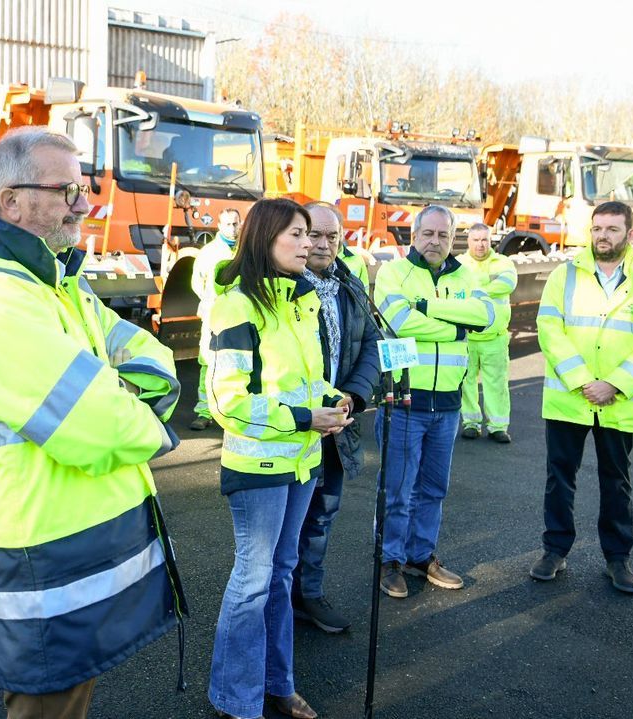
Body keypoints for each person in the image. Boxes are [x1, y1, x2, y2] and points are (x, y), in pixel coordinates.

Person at [0, 128, 187, 719]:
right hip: (37, 558)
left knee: (70, 697)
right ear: (10, 201)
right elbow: (101, 426)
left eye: (83, 185)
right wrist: (150, 422)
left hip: (67, 549)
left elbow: (149, 353)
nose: (86, 201)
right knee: (48, 706)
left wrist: (124, 392)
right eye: (67, 188)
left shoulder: (55, 283)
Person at [206, 197, 352, 719]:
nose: (308, 243)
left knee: (281, 573)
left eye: (310, 234)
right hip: (259, 466)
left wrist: (334, 399)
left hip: (302, 462)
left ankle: (277, 683)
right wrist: (303, 418)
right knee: (253, 579)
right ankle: (235, 698)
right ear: (265, 238)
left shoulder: (301, 300)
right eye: (296, 233)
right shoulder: (236, 305)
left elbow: (305, 380)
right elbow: (228, 401)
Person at [530, 201, 633, 594]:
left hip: (617, 400)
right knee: (560, 478)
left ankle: (618, 559)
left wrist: (615, 383)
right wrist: (581, 380)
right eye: (597, 229)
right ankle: (555, 550)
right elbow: (550, 329)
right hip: (569, 398)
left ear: (630, 234)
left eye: (612, 229)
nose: (602, 236)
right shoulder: (565, 274)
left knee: (616, 481)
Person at [373, 205, 496, 598]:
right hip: (405, 399)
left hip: (447, 403)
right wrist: (456, 325)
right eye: (428, 233)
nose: (435, 241)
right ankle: (390, 559)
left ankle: (420, 554)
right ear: (414, 234)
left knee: (433, 488)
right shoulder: (394, 272)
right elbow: (399, 321)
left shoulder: (467, 274)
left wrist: (426, 307)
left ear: (452, 238)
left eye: (443, 235)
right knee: (397, 488)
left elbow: (485, 315)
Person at [291, 201, 381, 633]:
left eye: (332, 236)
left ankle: (308, 595)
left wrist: (353, 395)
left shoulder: (349, 284)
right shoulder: (282, 286)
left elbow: (371, 346)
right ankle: (279, 600)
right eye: (314, 235)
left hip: (338, 426)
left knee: (322, 517)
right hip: (294, 428)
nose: (323, 245)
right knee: (286, 524)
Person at [458, 222, 518, 443]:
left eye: (484, 239)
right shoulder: (459, 264)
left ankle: (498, 427)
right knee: (467, 382)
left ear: (490, 240)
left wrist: (474, 288)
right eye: (476, 240)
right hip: (467, 337)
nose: (480, 245)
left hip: (495, 338)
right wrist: (486, 285)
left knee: (497, 384)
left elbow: (508, 283)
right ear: (468, 241)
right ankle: (471, 423)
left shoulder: (503, 262)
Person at [191, 208, 242, 430]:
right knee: (208, 362)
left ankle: (232, 412)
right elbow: (198, 283)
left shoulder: (245, 250)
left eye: (236, 223)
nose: (232, 228)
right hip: (214, 315)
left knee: (237, 364)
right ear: (219, 226)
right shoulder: (208, 253)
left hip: (240, 316)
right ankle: (204, 412)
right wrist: (211, 303)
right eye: (228, 224)